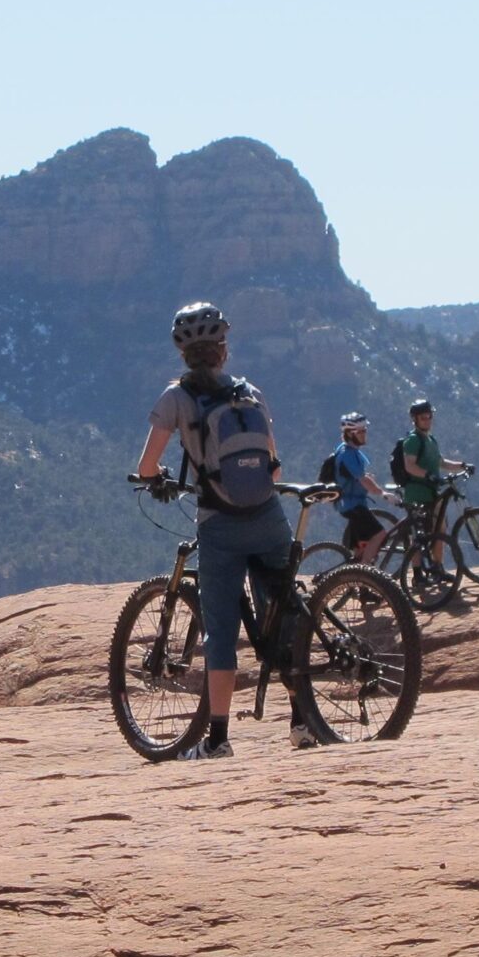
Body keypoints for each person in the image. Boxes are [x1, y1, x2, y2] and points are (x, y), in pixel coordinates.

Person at [134, 301, 289, 762]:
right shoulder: (251, 393)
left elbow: (146, 466)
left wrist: (157, 478)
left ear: (185, 355)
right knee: (282, 614)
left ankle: (218, 740)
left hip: (219, 522)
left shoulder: (175, 398)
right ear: (223, 349)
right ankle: (304, 722)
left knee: (221, 631)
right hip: (268, 516)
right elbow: (274, 467)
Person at [329, 411, 392, 564]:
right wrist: (383, 493)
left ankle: (355, 576)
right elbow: (362, 479)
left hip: (351, 504)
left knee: (362, 547)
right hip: (353, 506)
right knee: (379, 534)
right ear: (350, 434)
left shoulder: (348, 451)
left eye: (365, 430)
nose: (365, 434)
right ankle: (364, 574)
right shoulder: (348, 454)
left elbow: (357, 476)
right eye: (361, 431)